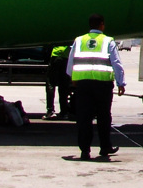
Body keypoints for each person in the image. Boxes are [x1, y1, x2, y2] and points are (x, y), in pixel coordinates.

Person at [67, 14, 126, 161]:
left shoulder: (79, 40)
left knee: (84, 118)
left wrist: (73, 78)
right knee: (103, 117)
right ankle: (105, 148)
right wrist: (121, 83)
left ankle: (85, 151)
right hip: (103, 85)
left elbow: (70, 63)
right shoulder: (108, 41)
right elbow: (116, 63)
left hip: (83, 84)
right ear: (101, 25)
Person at [44, 44, 71, 119]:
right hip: (65, 57)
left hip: (55, 56)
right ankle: (64, 112)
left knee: (51, 84)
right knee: (64, 86)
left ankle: (50, 111)